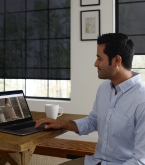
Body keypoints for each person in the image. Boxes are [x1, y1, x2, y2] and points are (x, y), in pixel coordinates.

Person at [35, 33, 145, 165]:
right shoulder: (104, 88)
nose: (95, 63)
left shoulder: (141, 100)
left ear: (117, 61)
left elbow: (139, 160)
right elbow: (94, 121)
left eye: (99, 58)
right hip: (95, 161)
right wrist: (63, 124)